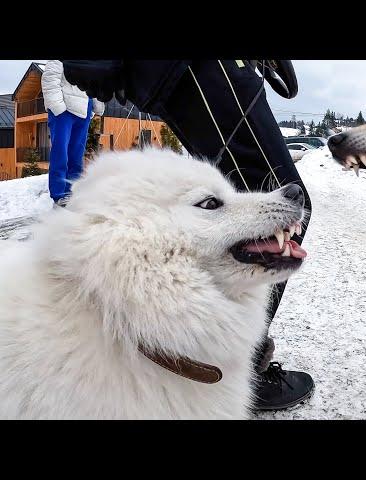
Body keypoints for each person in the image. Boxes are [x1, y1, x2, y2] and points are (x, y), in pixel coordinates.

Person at [61, 60, 314, 410]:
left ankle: (194, 362)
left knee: (241, 198)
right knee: (260, 200)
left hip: (186, 71)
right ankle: (222, 368)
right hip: (198, 68)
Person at [41, 60, 104, 207]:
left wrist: (95, 108)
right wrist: (58, 108)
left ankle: (72, 191)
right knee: (61, 153)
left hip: (83, 112)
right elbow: (49, 80)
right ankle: (59, 194)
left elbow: (93, 84)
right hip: (64, 112)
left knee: (76, 155)